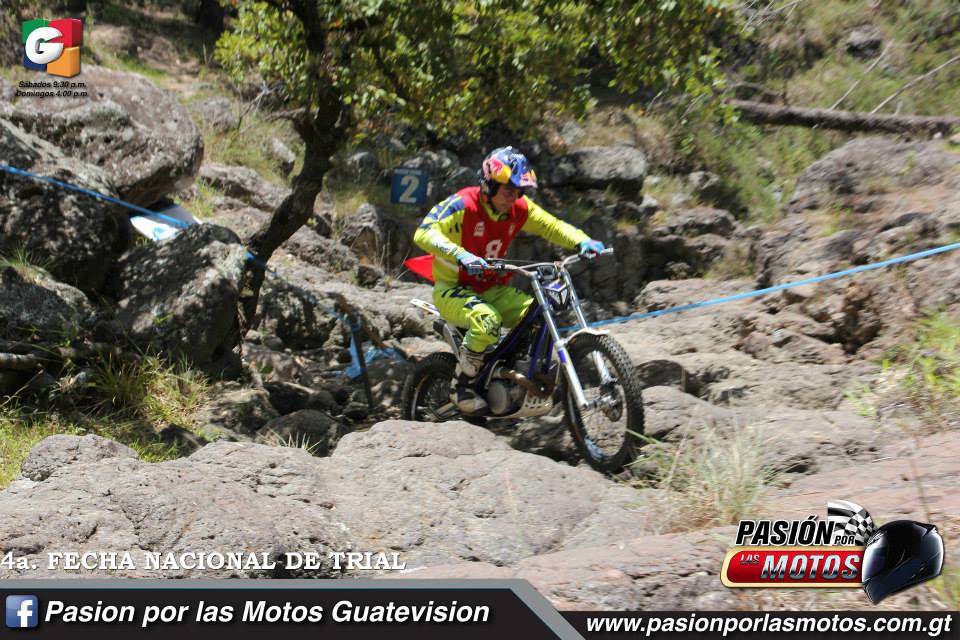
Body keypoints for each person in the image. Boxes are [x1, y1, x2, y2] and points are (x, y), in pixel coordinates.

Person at [413, 146, 605, 414]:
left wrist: (582, 240)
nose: (514, 198)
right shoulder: (462, 204)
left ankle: (510, 376)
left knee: (539, 315)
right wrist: (461, 255)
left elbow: (551, 225)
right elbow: (423, 233)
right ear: (489, 185)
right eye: (508, 190)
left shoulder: (519, 209)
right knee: (487, 320)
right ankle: (462, 385)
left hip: (493, 290)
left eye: (519, 192)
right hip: (453, 290)